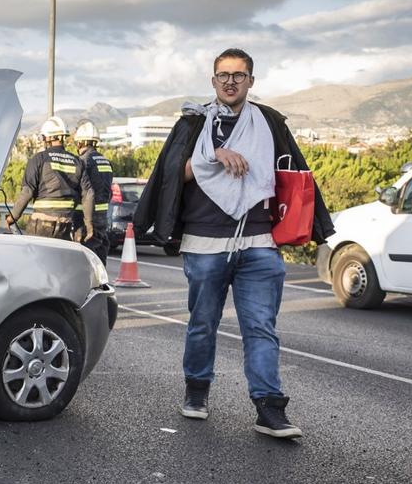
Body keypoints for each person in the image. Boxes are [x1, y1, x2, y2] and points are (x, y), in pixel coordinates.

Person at [131, 48, 334, 439]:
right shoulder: (193, 124)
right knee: (203, 324)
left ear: (250, 82)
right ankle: (197, 390)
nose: (230, 81)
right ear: (213, 81)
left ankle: (269, 408)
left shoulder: (270, 123)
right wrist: (213, 155)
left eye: (238, 75)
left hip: (258, 240)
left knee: (261, 327)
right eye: (223, 74)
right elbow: (173, 174)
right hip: (205, 243)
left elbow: (294, 173)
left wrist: (309, 225)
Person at [6, 116, 94, 241]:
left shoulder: (39, 159)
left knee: (36, 260)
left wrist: (13, 217)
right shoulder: (77, 162)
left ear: (48, 138)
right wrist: (89, 225)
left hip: (41, 226)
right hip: (66, 226)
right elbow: (88, 194)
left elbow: (27, 192)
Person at [74, 120, 113, 266]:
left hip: (86, 218)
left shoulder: (83, 161)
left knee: (85, 259)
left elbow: (83, 191)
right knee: (100, 256)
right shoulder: (106, 161)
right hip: (102, 217)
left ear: (80, 143)